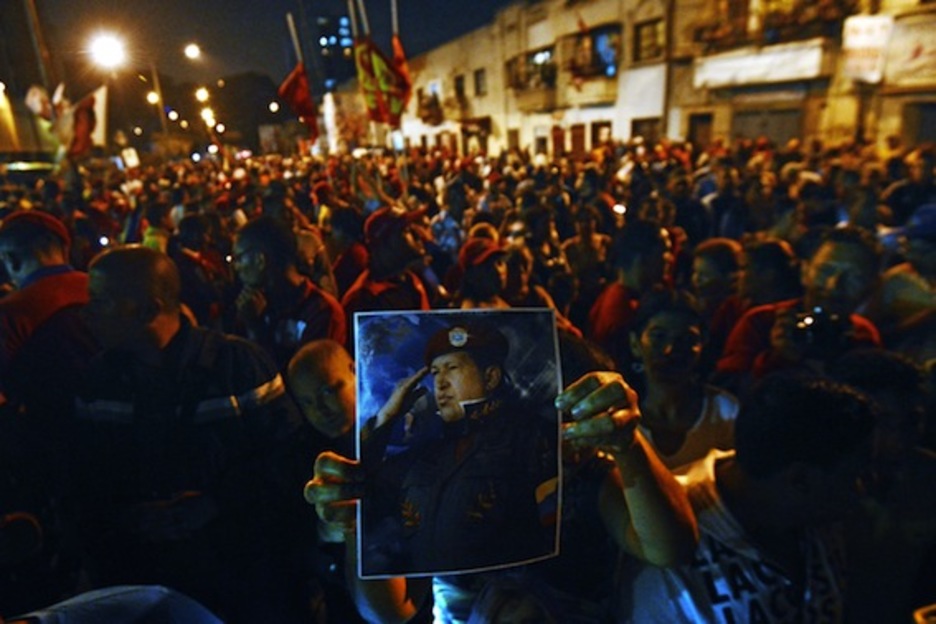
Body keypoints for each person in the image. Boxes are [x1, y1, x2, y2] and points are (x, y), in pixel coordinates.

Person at [306, 368, 697, 623]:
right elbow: (389, 609)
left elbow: (671, 546)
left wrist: (627, 445)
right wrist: (361, 519)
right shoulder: (434, 475)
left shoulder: (583, 474)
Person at [70, 246, 312, 623]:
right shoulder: (99, 382)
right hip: (144, 582)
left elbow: (290, 463)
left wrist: (216, 503)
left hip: (241, 584)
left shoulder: (238, 367)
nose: (87, 313)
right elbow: (84, 479)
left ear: (149, 310)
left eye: (102, 301)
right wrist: (127, 517)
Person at [613, 373, 878, 622]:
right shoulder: (667, 522)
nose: (864, 487)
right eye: (855, 475)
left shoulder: (820, 522)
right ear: (800, 479)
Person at [358, 322, 559, 575]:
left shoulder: (530, 436)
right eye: (435, 373)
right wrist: (385, 419)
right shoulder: (424, 454)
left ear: (490, 377)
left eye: (452, 368)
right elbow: (364, 492)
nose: (440, 383)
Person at [716, 226, 882, 389]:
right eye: (826, 271)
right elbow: (729, 391)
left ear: (871, 286)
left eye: (854, 277)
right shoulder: (762, 322)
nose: (834, 285)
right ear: (804, 272)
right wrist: (779, 358)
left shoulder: (863, 335)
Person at [627, 289, 739, 470]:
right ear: (635, 343)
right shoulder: (620, 417)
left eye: (686, 340)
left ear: (702, 345)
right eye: (658, 337)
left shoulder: (725, 413)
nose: (670, 350)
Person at [233, 215, 346, 370]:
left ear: (260, 260)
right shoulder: (255, 304)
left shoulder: (321, 311)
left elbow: (308, 377)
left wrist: (256, 330)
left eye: (238, 258)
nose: (236, 267)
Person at [588, 219, 673, 372]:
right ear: (641, 259)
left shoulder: (616, 295)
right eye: (664, 252)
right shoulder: (623, 311)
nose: (669, 259)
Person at [341, 206, 432, 344]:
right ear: (386, 243)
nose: (417, 234)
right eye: (406, 230)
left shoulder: (409, 280)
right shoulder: (363, 299)